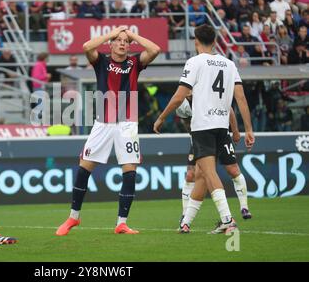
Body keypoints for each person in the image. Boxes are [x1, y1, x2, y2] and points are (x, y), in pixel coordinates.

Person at [56, 26, 160, 236]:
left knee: (130, 171)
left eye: (125, 41)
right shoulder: (101, 61)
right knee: (84, 168)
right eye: (118, 40)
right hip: (103, 123)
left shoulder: (134, 63)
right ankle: (73, 217)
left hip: (127, 125)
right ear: (111, 43)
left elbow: (155, 49)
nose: (122, 43)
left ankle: (121, 223)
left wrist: (132, 35)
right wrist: (112, 33)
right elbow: (86, 46)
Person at [153, 24, 254, 234]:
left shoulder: (195, 62)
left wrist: (161, 118)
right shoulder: (229, 64)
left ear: (196, 41)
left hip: (203, 127)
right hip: (221, 127)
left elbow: (180, 96)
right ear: (215, 41)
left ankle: (228, 220)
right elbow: (241, 98)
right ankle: (185, 222)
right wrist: (249, 129)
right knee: (200, 175)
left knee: (209, 173)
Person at [176, 95, 252, 226]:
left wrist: (235, 130)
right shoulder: (182, 105)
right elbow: (187, 124)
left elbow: (229, 108)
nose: (188, 91)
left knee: (232, 170)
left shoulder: (207, 92)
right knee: (192, 175)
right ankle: (185, 216)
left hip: (220, 134)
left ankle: (244, 207)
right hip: (200, 138)